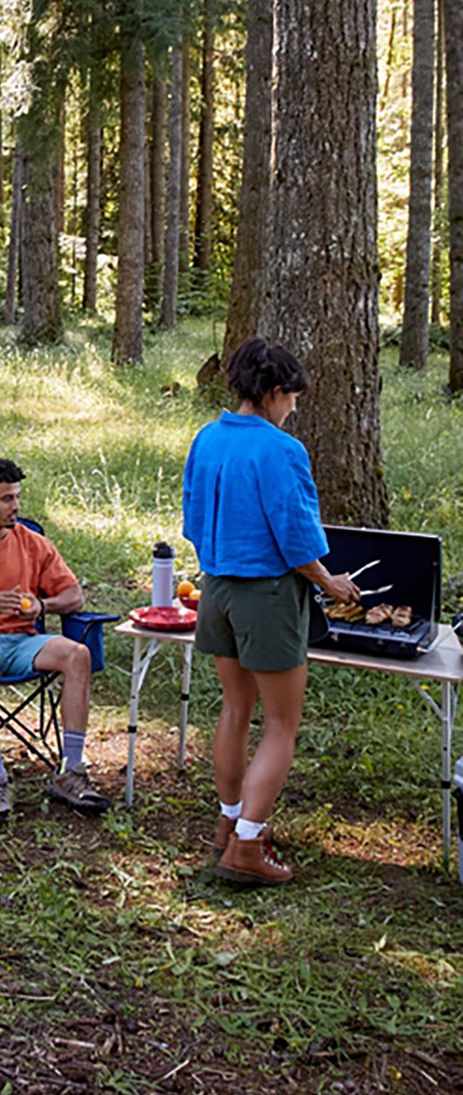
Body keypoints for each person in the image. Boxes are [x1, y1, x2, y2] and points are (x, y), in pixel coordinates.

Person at [182, 338, 362, 887]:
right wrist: (330, 582)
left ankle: (229, 824)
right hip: (265, 595)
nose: (294, 409)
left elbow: (193, 519)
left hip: (217, 590)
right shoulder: (281, 450)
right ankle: (247, 846)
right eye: (293, 398)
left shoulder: (208, 438)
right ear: (274, 392)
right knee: (281, 724)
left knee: (236, 710)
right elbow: (295, 535)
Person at [0, 456, 112, 824]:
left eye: (17, 497)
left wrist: (43, 605)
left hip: (22, 640)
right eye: (7, 498)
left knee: (77, 654)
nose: (16, 506)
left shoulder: (32, 543)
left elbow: (74, 596)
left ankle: (70, 771)